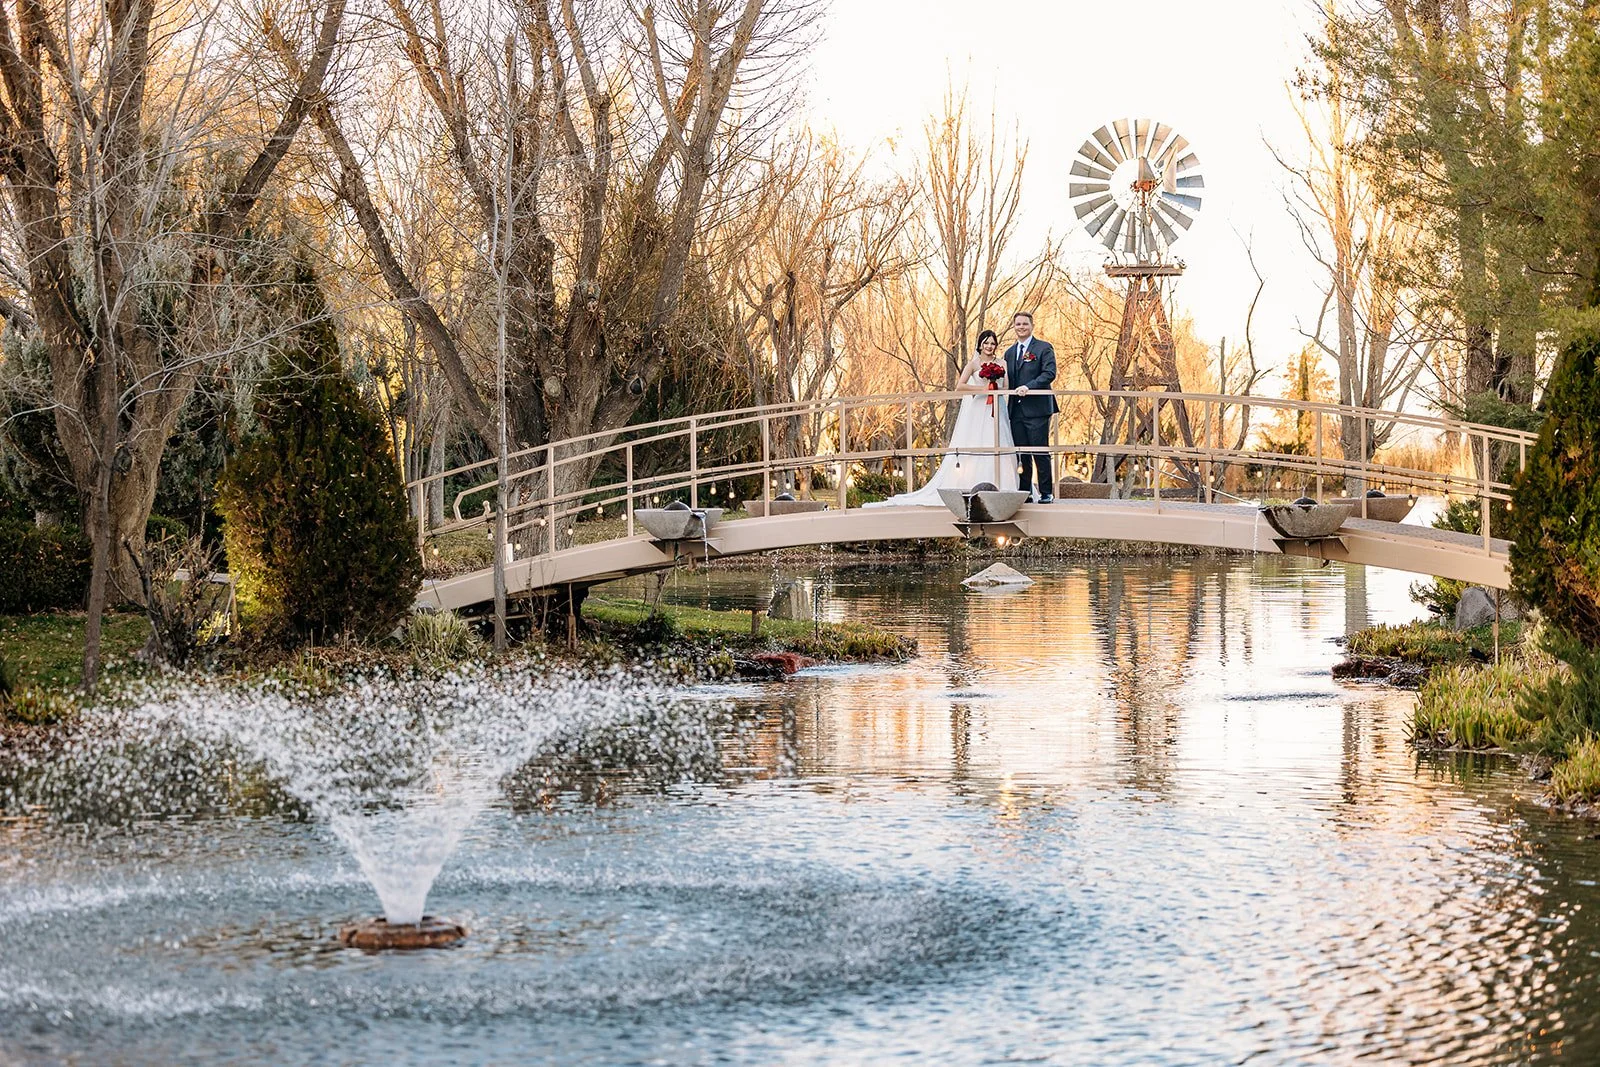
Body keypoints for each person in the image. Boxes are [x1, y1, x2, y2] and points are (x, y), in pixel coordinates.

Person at [866, 329, 1017, 506]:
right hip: (979, 407)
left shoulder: (1002, 363)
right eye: (986, 343)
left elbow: (1006, 386)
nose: (989, 346)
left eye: (992, 343)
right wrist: (982, 389)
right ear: (980, 345)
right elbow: (960, 386)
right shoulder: (973, 364)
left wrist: (995, 388)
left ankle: (1002, 484)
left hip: (997, 407)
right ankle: (972, 482)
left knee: (998, 441)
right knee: (978, 441)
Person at [1004, 310, 1058, 502]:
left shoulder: (1043, 348)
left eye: (1025, 324)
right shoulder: (1009, 353)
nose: (1021, 327)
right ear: (1014, 327)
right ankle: (1025, 492)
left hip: (1037, 409)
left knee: (1039, 451)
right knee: (1022, 454)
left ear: (1032, 326)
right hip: (1016, 411)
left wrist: (1029, 387)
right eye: (1018, 324)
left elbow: (1049, 373)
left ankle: (1046, 492)